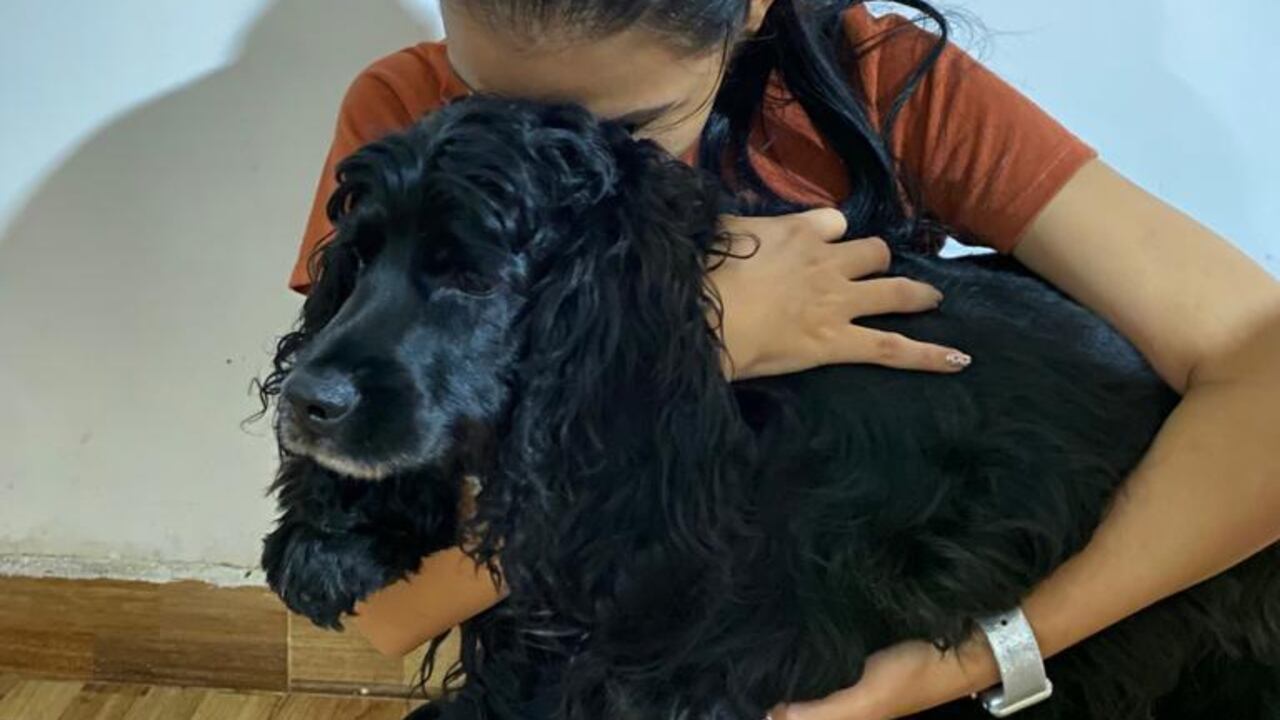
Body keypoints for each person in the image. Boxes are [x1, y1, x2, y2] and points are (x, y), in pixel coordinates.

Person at [288, 1, 1280, 717]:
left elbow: (1261, 378)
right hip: (598, 654)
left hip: (921, 637)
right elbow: (383, 610)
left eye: (629, 131)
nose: (538, 154)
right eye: (482, 97)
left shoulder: (875, 81)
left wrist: (983, 660)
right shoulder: (410, 114)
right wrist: (700, 347)